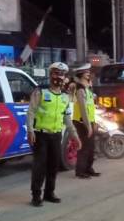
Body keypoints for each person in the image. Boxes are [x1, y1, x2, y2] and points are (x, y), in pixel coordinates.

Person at [27, 61, 81, 206]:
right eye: (56, 73)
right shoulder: (41, 91)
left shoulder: (65, 96)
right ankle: (36, 195)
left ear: (65, 77)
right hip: (41, 135)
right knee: (40, 166)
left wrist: (75, 136)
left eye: (62, 74)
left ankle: (49, 193)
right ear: (50, 75)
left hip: (56, 135)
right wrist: (30, 130)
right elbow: (31, 112)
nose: (59, 77)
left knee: (53, 165)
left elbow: (67, 118)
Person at [72, 64, 100, 179]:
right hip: (81, 122)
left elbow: (91, 107)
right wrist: (88, 125)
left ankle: (89, 169)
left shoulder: (87, 89)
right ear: (81, 74)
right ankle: (80, 171)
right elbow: (83, 109)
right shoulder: (80, 89)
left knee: (91, 147)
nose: (89, 73)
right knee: (84, 147)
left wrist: (94, 122)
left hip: (90, 121)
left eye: (88, 71)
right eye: (86, 72)